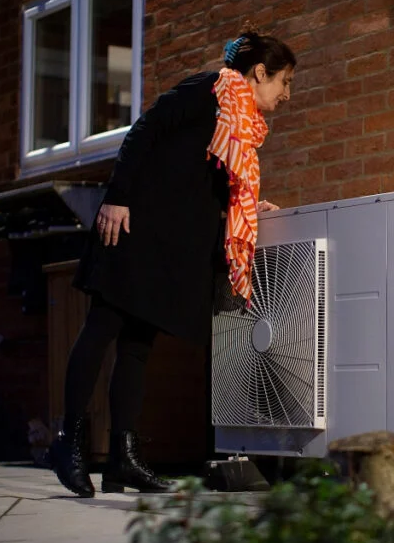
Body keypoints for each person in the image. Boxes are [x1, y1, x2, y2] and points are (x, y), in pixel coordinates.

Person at [50, 26, 296, 498]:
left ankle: (122, 460)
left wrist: (245, 208)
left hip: (165, 248)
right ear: (259, 72)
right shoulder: (209, 91)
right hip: (133, 229)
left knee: (138, 347)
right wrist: (116, 197)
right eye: (284, 81)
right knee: (101, 328)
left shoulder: (241, 126)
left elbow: (201, 185)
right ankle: (68, 443)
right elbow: (144, 130)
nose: (286, 94)